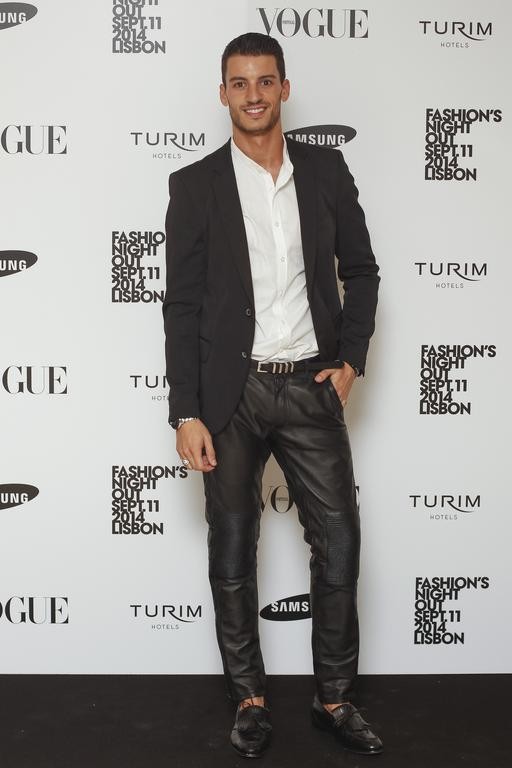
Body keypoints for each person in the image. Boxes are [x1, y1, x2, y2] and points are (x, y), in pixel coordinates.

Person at [163, 31, 382, 758]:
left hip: (311, 383)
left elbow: (362, 270)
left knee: (340, 541)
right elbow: (182, 306)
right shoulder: (195, 185)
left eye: (265, 81)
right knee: (232, 548)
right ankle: (249, 699)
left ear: (284, 88)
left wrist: (351, 360)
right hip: (232, 393)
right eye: (239, 82)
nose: (253, 95)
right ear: (222, 93)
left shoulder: (325, 169)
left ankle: (335, 698)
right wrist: (186, 410)